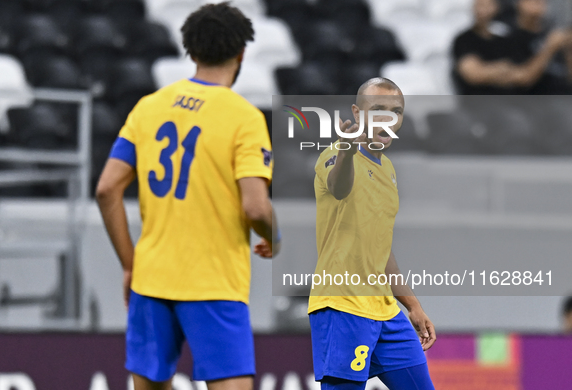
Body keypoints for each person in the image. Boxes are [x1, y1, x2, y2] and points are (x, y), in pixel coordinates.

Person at [96, 3, 279, 390]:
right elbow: (256, 206)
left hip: (151, 282)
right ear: (241, 53)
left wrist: (131, 265)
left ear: (191, 52)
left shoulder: (148, 108)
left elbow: (106, 188)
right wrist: (272, 236)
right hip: (213, 285)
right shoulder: (244, 118)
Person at [308, 78, 436, 390]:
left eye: (396, 111)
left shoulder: (388, 169)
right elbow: (339, 187)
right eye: (377, 109)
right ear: (357, 111)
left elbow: (381, 247)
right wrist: (348, 152)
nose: (387, 118)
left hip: (385, 309)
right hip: (344, 305)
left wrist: (413, 304)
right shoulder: (335, 155)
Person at [451, 0, 572, 95]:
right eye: (480, 5)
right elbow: (523, 77)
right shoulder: (466, 39)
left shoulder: (550, 32)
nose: (484, 10)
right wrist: (550, 47)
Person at [507, 0, 572, 94]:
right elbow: (523, 79)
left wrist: (569, 50)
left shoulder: (551, 31)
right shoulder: (509, 35)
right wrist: (549, 48)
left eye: (541, 2)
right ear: (519, 4)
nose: (538, 4)